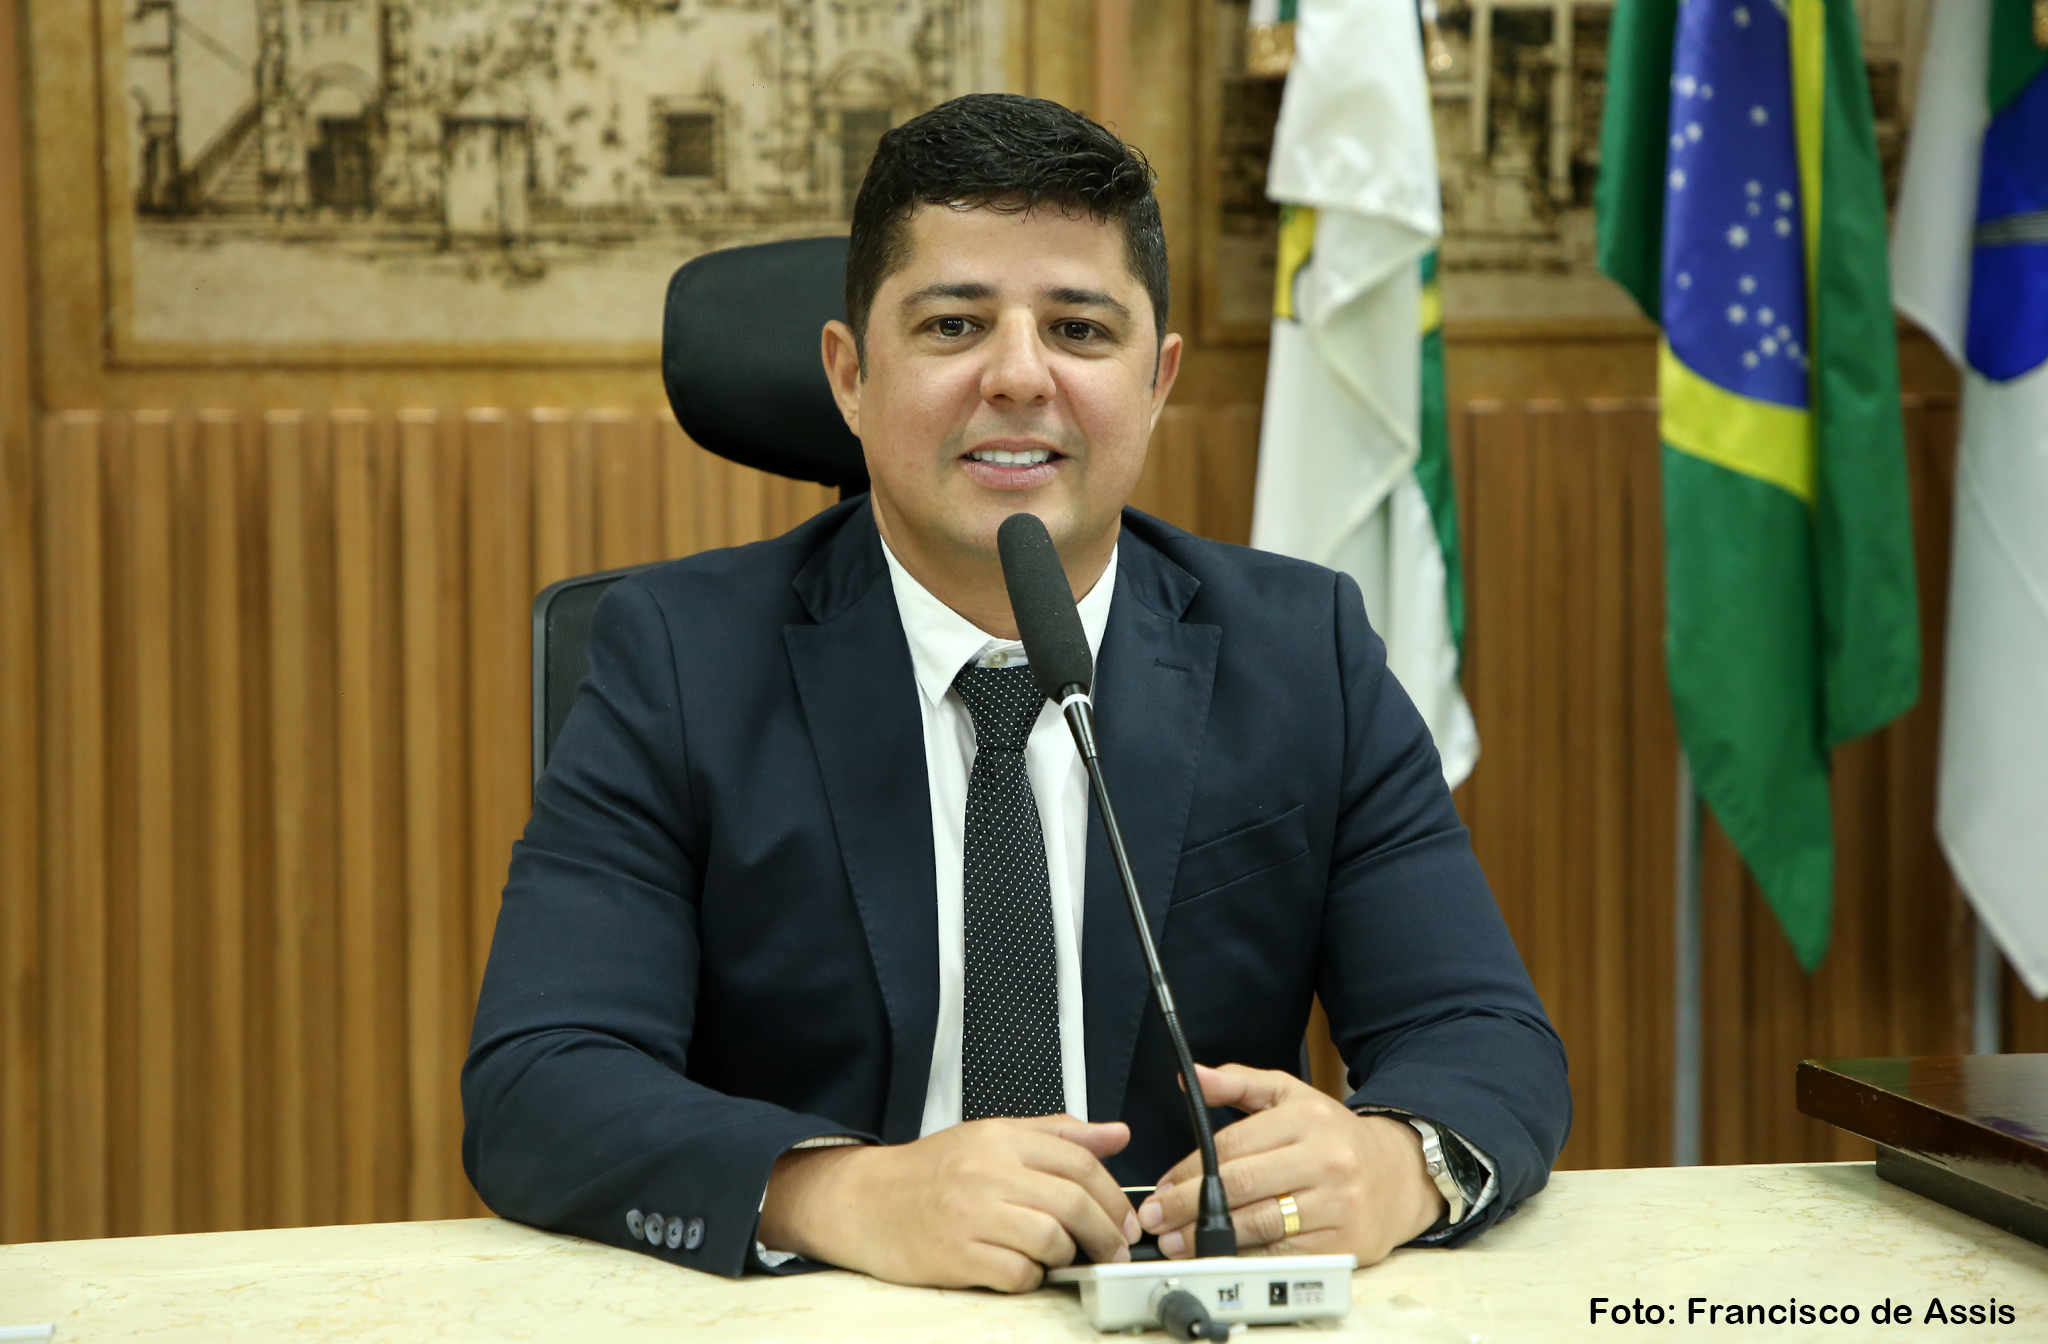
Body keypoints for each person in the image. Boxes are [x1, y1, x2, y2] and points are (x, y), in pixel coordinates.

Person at [463, 93, 1569, 1293]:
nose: (1018, 376)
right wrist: (844, 1191)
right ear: (849, 374)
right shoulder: (679, 658)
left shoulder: (1302, 653)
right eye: (953, 325)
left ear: (1156, 379)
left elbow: (1481, 1036)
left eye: (1079, 330)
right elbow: (542, 1078)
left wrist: (1395, 1165)